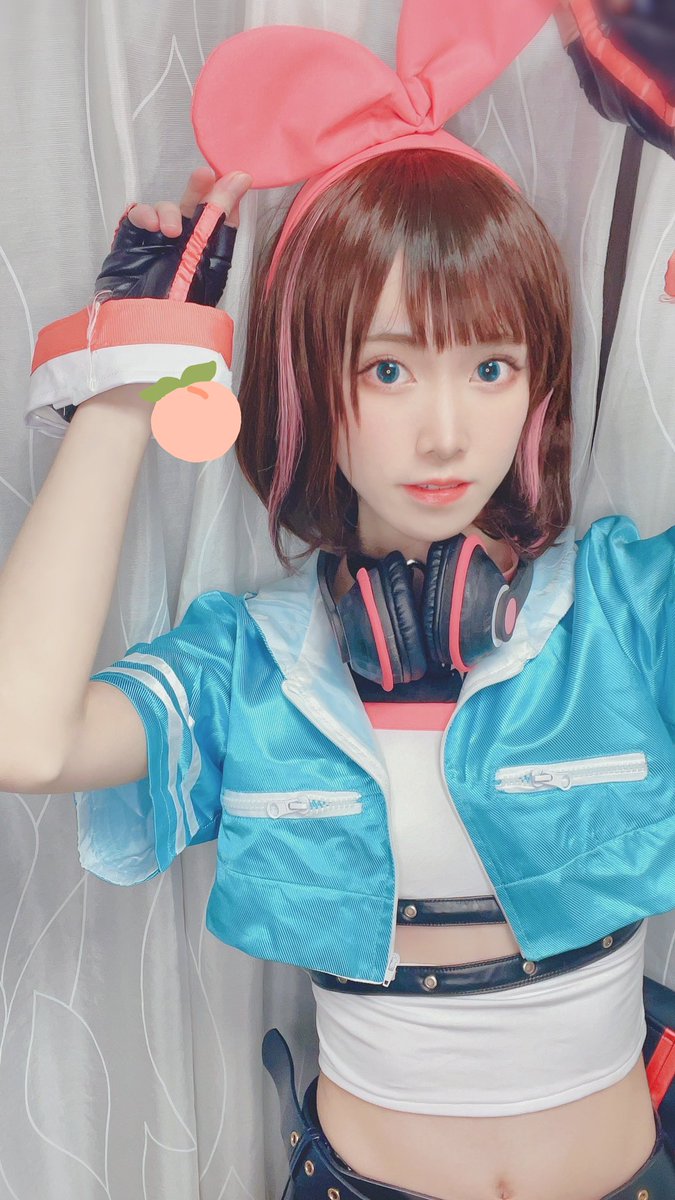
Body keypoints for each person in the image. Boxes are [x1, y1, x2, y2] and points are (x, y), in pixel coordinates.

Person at [5, 5, 675, 1200]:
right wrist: (130, 372)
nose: (445, 431)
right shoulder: (251, 665)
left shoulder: (627, 612)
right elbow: (25, 737)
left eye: (490, 366)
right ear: (309, 380)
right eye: (387, 366)